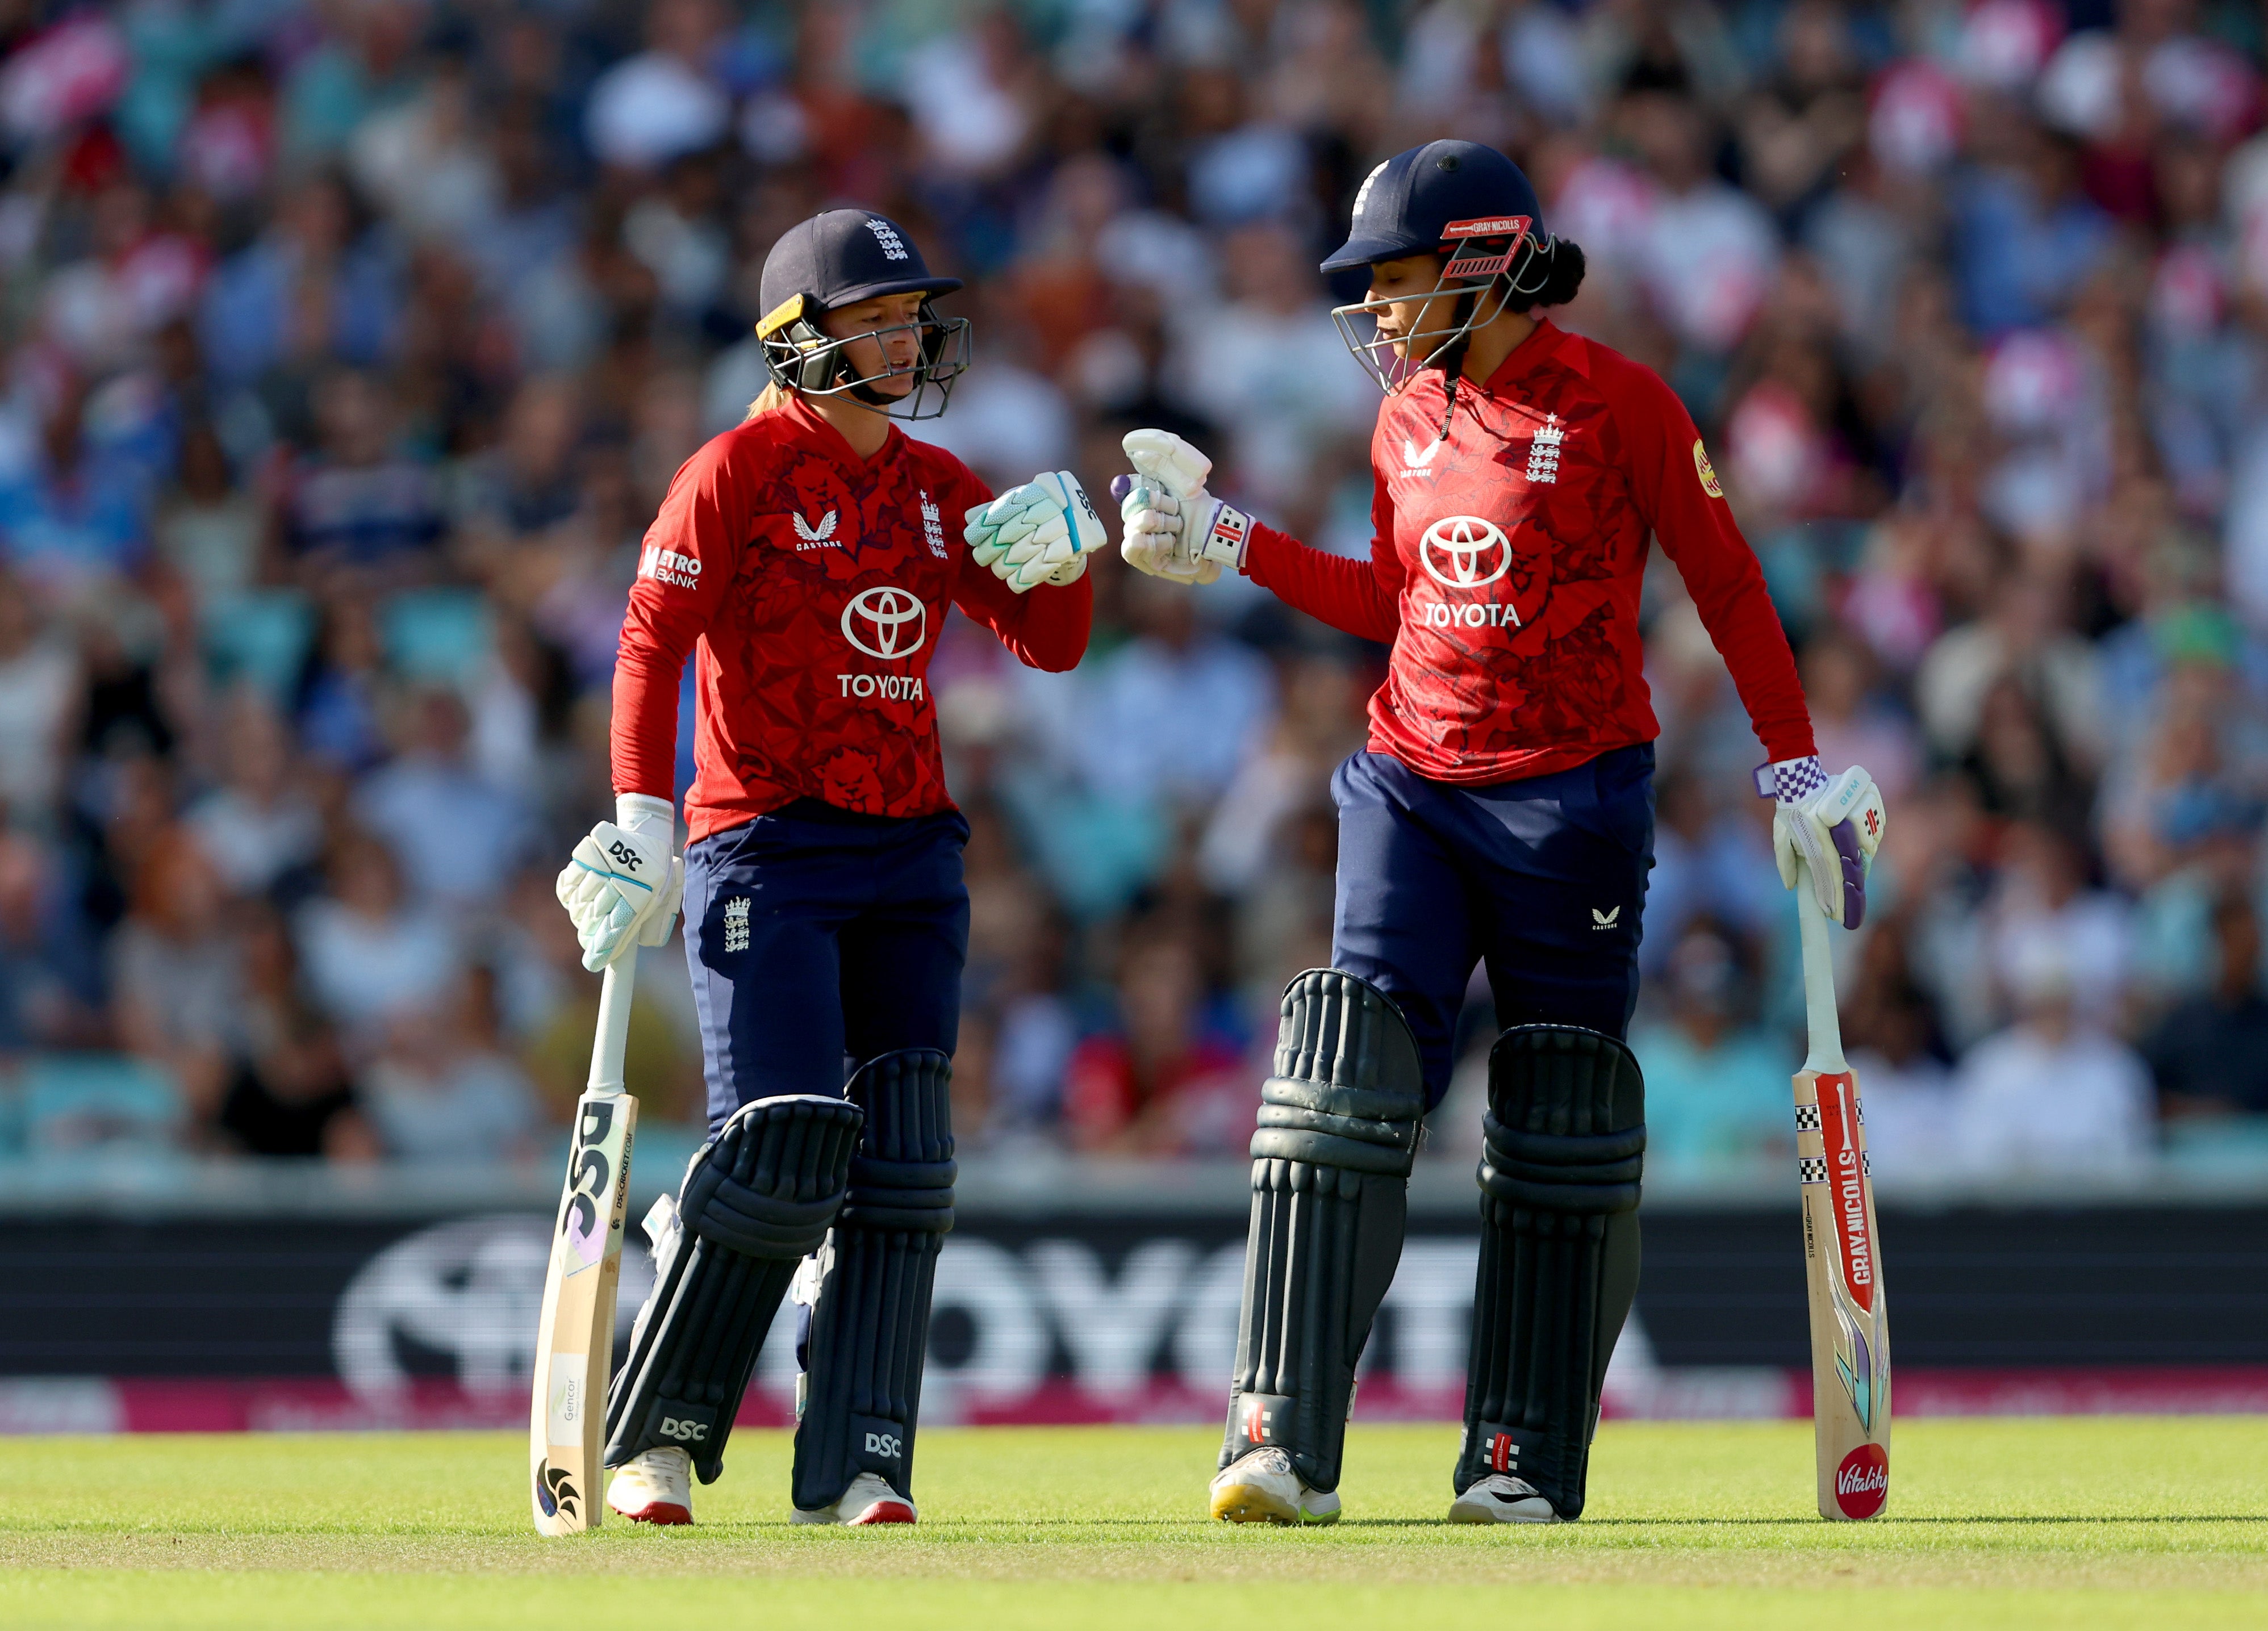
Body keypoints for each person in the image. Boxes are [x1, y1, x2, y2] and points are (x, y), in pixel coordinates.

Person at [1111, 141, 1886, 1526]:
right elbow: (1388, 598)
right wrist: (1228, 540)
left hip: (1570, 800)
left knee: (1557, 1115)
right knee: (1343, 1072)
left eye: (1395, 283)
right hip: (1408, 777)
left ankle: (1516, 1453)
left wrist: (1792, 770)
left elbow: (1725, 578)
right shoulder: (1403, 417)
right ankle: (1276, 1436)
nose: (1378, 315)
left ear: (1480, 264)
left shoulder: (1623, 405)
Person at [552, 208, 1101, 1528]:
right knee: (788, 1142)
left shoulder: (937, 486)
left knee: (900, 1169)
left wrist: (1071, 565)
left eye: (912, 313)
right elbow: (650, 641)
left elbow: (1049, 645)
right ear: (800, 339)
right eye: (878, 314)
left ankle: (855, 1454)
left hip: (911, 851)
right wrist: (642, 817)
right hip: (767, 844)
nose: (908, 334)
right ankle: (655, 1439)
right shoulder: (734, 471)